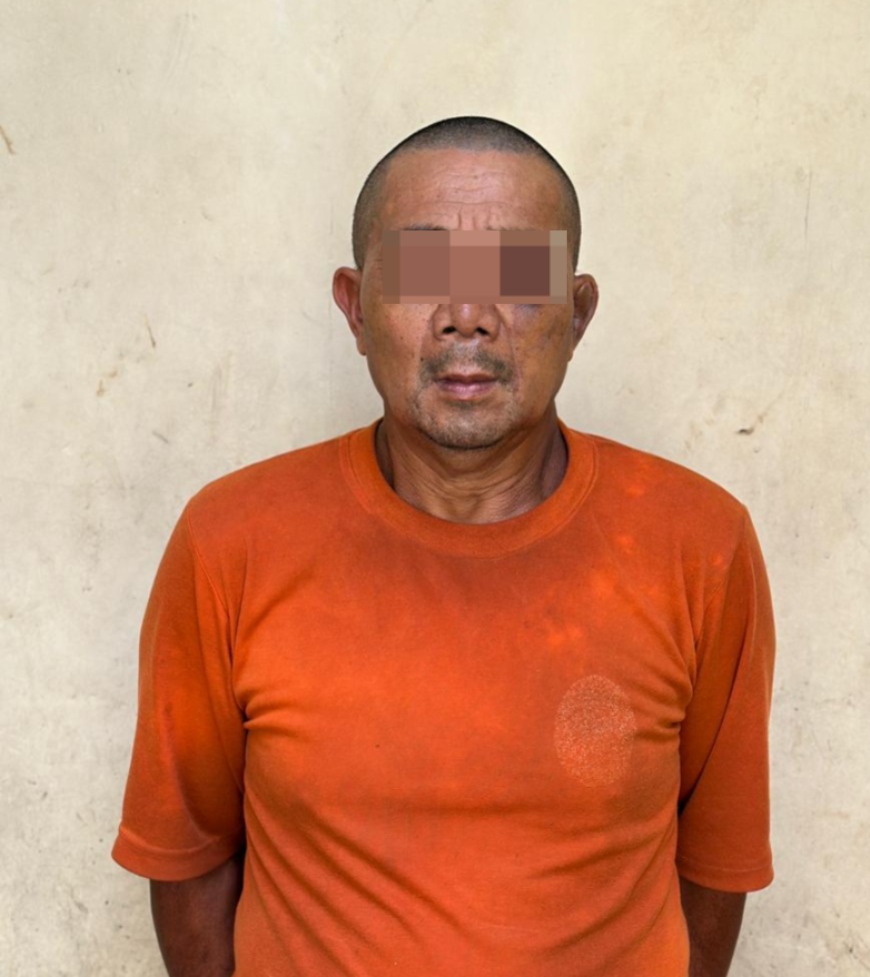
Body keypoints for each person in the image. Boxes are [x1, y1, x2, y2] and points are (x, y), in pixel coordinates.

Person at [112, 116, 776, 977]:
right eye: (424, 273)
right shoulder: (232, 540)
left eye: (517, 274)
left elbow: (715, 867)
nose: (468, 316)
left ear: (578, 314)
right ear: (355, 308)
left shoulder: (699, 544)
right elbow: (187, 855)